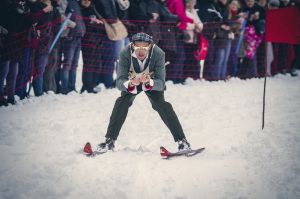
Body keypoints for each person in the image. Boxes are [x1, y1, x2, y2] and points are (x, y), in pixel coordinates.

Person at [96, 32, 191, 152]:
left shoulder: (158, 53)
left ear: (150, 46)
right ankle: (109, 141)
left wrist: (149, 82)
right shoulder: (125, 53)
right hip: (132, 82)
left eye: (144, 47)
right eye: (137, 47)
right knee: (121, 102)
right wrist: (130, 83)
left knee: (162, 105)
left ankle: (182, 141)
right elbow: (119, 81)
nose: (141, 51)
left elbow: (161, 83)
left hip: (151, 83)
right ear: (132, 46)